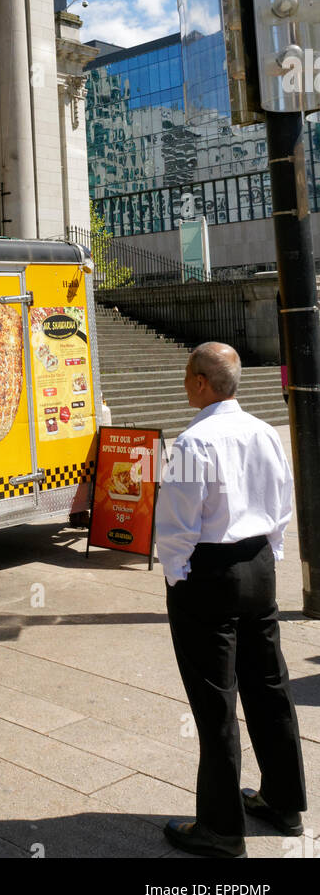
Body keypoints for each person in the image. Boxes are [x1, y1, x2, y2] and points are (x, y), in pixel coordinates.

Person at [155, 341, 307, 859]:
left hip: (210, 574)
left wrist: (178, 578)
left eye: (185, 374)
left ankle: (221, 828)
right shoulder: (265, 432)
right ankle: (284, 802)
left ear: (200, 381)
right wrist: (271, 554)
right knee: (269, 684)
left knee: (215, 700)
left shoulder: (192, 442)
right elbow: (281, 502)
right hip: (258, 566)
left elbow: (176, 527)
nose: (182, 382)